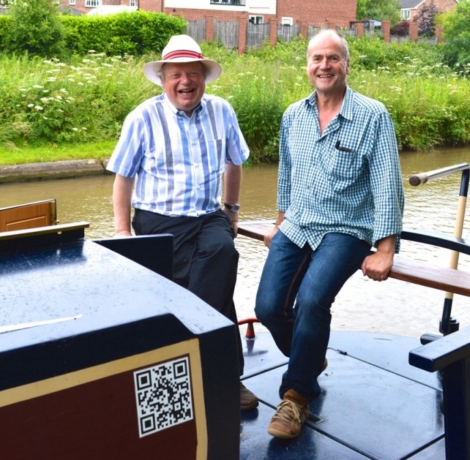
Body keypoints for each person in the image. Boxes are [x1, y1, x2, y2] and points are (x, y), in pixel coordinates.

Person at [254, 29, 405, 439]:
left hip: (346, 227)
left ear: (346, 65)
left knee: (313, 300)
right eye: (317, 58)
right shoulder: (293, 115)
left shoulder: (372, 115)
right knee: (268, 307)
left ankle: (296, 397)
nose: (324, 65)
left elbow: (387, 183)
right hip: (298, 222)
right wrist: (279, 221)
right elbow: (286, 174)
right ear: (307, 65)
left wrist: (386, 248)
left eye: (333, 58)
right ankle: (310, 355)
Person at [106, 35, 257, 411]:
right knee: (210, 291)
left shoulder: (222, 111)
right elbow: (123, 177)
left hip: (209, 215)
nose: (185, 82)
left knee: (223, 252)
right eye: (176, 75)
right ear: (163, 79)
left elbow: (234, 161)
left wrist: (233, 208)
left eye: (193, 73)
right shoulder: (142, 117)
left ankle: (201, 365)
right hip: (159, 220)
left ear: (204, 78)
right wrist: (123, 232)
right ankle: (224, 377)